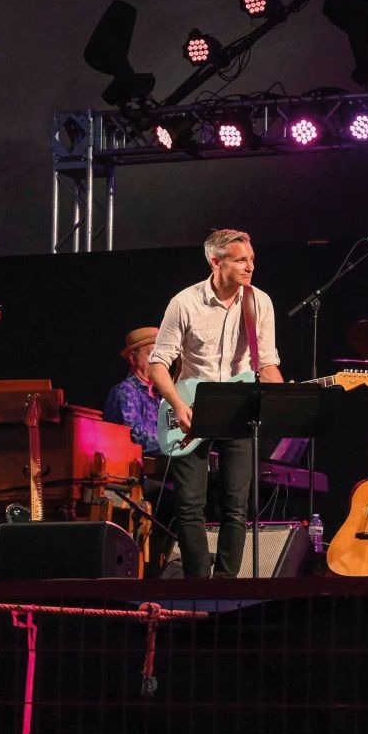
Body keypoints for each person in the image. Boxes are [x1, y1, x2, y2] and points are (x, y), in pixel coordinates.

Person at [148, 229, 281, 579]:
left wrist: (284, 398)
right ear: (216, 262)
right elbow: (158, 363)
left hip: (237, 407)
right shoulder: (185, 302)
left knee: (236, 505)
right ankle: (197, 584)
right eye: (241, 260)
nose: (250, 266)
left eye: (252, 259)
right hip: (192, 406)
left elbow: (267, 364)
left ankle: (225, 582)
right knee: (190, 505)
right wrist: (178, 405)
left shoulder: (259, 302)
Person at [105, 326, 164, 454]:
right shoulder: (124, 392)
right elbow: (135, 435)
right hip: (128, 466)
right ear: (133, 358)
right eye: (153, 354)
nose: (160, 361)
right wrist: (175, 444)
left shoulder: (157, 396)